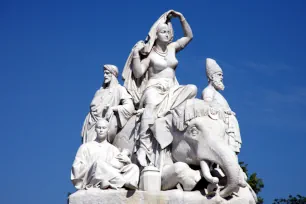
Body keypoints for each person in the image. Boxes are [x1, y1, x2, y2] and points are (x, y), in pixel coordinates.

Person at [122, 10, 197, 167]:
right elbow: (138, 72)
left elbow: (189, 36)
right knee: (150, 107)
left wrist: (182, 18)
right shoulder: (149, 54)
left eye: (168, 32)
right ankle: (143, 149)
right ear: (156, 34)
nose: (167, 34)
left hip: (172, 88)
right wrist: (136, 54)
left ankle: (168, 118)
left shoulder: (172, 48)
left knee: (192, 89)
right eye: (163, 32)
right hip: (154, 88)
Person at [71, 119, 139, 190]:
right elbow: (76, 168)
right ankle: (124, 183)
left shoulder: (113, 149)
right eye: (99, 128)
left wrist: (128, 161)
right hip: (92, 176)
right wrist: (92, 167)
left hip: (112, 174)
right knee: (98, 163)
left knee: (134, 167)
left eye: (104, 128)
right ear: (95, 129)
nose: (101, 130)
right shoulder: (85, 147)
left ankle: (109, 183)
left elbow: (119, 166)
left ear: (108, 130)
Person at [81, 65, 134, 143]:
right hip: (90, 124)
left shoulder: (119, 89)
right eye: (104, 73)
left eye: (107, 73)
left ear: (113, 75)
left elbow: (130, 107)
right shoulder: (98, 92)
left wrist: (113, 108)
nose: (105, 76)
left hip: (104, 125)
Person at [202, 58, 242, 153]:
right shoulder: (208, 91)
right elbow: (206, 107)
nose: (222, 78)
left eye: (222, 75)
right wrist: (224, 111)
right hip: (221, 128)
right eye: (219, 75)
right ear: (212, 77)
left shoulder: (217, 94)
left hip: (228, 128)